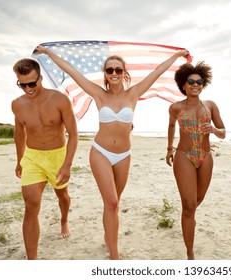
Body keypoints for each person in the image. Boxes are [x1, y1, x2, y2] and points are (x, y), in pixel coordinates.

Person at [35, 45, 189, 260]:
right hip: (101, 153)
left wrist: (177, 55)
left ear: (125, 73)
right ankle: (114, 257)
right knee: (113, 202)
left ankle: (109, 237)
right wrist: (48, 53)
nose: (114, 73)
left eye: (118, 70)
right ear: (105, 74)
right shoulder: (98, 94)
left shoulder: (133, 93)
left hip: (124, 155)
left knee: (114, 203)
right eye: (110, 70)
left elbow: (157, 72)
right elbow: (71, 70)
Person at [11, 58, 78, 260]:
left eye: (32, 83)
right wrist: (19, 159)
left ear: (40, 77)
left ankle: (64, 219)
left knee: (62, 196)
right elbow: (19, 134)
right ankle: (32, 262)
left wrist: (67, 165)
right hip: (32, 158)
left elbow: (74, 134)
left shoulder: (59, 100)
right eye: (23, 84)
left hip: (57, 156)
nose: (28, 88)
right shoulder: (17, 104)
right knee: (31, 205)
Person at [166, 61, 226, 259]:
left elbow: (223, 132)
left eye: (199, 81)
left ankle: (188, 218)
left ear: (203, 83)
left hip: (206, 158)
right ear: (183, 84)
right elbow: (171, 127)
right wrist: (169, 148)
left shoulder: (210, 105)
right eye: (190, 81)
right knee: (189, 206)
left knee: (196, 201)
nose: (195, 84)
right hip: (184, 157)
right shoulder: (175, 107)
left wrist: (215, 130)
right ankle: (190, 254)